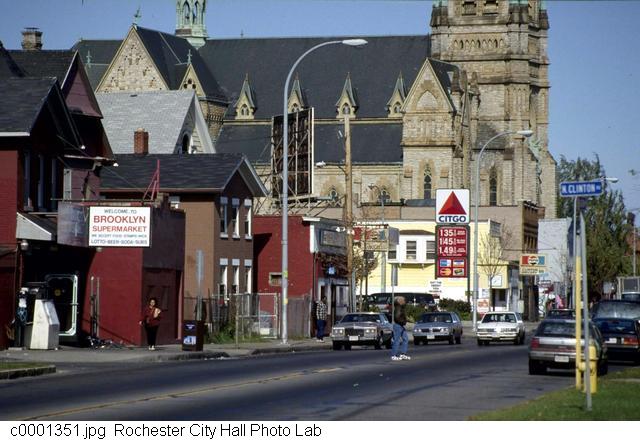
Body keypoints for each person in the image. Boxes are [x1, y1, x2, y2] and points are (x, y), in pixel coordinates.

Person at [391, 296, 410, 361]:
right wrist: (404, 321)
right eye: (403, 300)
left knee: (405, 339)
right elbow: (397, 317)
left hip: (401, 325)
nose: (405, 301)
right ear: (400, 301)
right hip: (398, 326)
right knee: (397, 340)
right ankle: (393, 355)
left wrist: (406, 320)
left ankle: (403, 354)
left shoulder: (401, 307)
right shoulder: (398, 308)